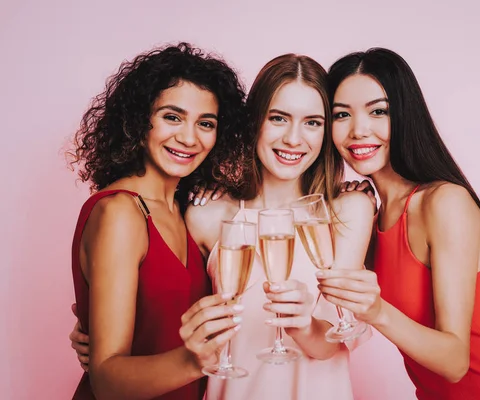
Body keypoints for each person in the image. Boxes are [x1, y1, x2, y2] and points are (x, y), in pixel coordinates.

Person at [70, 53, 374, 400]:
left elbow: (332, 342)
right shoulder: (206, 215)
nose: (293, 138)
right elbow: (169, 300)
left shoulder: (348, 211)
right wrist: (93, 327)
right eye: (278, 118)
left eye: (313, 122)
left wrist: (303, 324)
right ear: (253, 122)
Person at [315, 47, 480, 399]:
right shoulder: (373, 216)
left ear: (406, 115)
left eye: (379, 111)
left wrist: (378, 311)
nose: (358, 130)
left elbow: (455, 362)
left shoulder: (444, 202)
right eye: (342, 115)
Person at [68, 42, 247, 399]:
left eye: (206, 123)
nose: (188, 137)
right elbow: (106, 380)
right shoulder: (120, 212)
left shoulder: (187, 210)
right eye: (172, 117)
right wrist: (194, 361)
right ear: (139, 119)